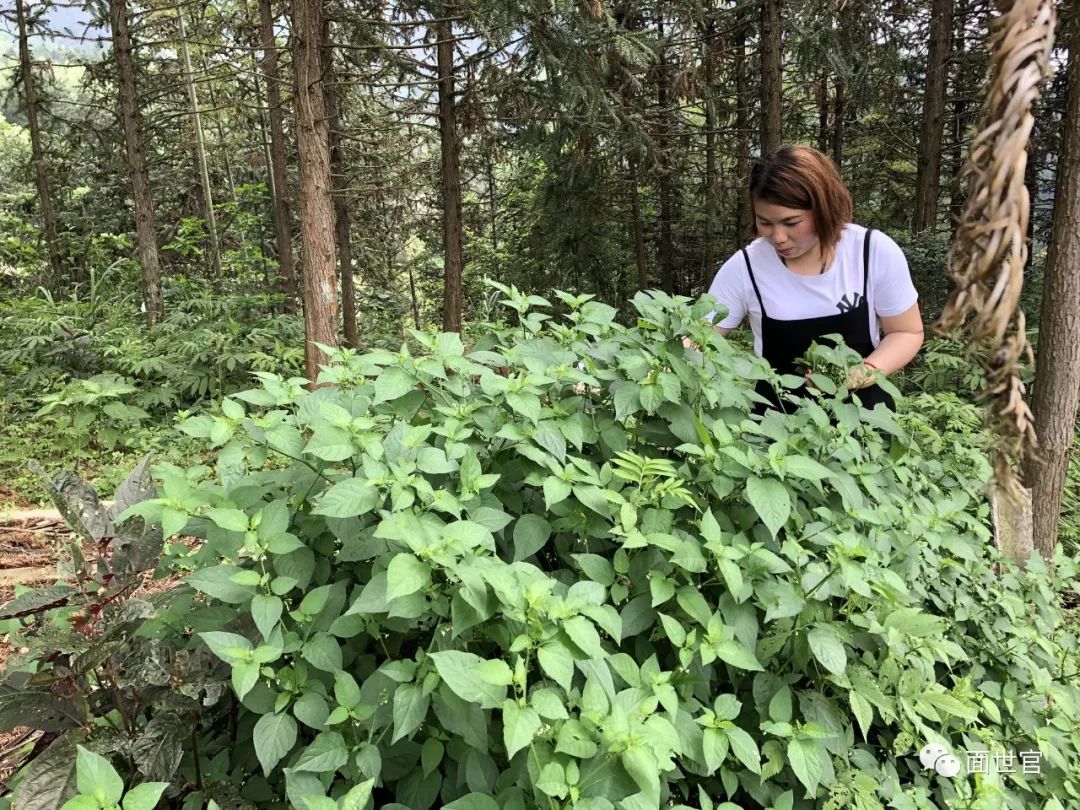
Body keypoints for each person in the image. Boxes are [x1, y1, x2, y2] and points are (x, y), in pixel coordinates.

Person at [704, 144, 924, 414]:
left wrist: (858, 374)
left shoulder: (870, 252)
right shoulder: (746, 267)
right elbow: (699, 335)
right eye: (765, 222)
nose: (778, 237)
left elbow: (906, 331)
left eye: (792, 222)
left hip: (864, 421)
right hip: (776, 430)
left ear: (824, 209)